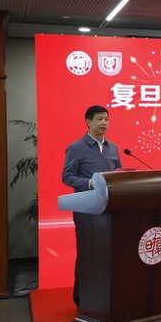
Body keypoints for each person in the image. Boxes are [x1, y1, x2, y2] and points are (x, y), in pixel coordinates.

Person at [62, 105, 122, 307]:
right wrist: (89, 183)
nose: (104, 123)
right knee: (88, 252)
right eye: (99, 119)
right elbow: (67, 177)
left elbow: (118, 174)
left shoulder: (113, 148)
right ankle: (82, 299)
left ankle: (107, 296)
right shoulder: (76, 147)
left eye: (107, 119)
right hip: (86, 210)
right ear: (88, 122)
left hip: (110, 209)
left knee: (110, 253)